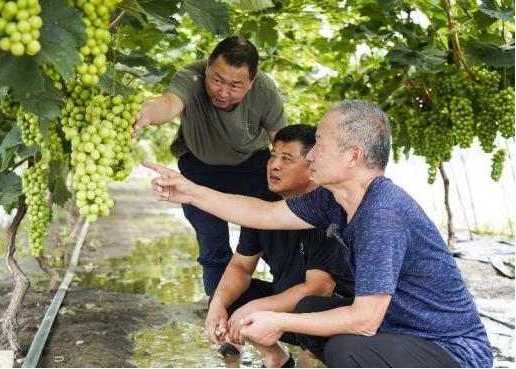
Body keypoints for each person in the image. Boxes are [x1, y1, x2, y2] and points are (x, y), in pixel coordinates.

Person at [143, 100, 493, 368]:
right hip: (401, 331)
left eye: (320, 145)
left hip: (452, 351)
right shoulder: (335, 200)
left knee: (348, 346)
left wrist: (278, 319)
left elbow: (365, 320)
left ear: (353, 156)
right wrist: (190, 191)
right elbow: (261, 213)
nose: (311, 155)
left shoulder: (382, 214)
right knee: (312, 311)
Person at [134, 36, 286, 296]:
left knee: (273, 240)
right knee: (213, 249)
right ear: (206, 68)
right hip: (200, 170)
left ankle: (283, 310)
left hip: (252, 168)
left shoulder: (266, 92)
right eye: (217, 80)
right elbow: (168, 104)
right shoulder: (191, 78)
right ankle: (221, 322)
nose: (223, 92)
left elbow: (282, 145)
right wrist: (147, 113)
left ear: (251, 83)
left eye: (235, 85)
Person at [206, 124, 354, 367]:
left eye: (287, 159)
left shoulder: (329, 209)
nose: (274, 165)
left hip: (332, 315)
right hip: (285, 304)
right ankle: (277, 358)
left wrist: (256, 307)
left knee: (309, 305)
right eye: (273, 156)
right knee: (225, 298)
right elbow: (241, 266)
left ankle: (312, 355)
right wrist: (218, 306)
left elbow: (318, 289)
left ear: (312, 168)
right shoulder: (264, 204)